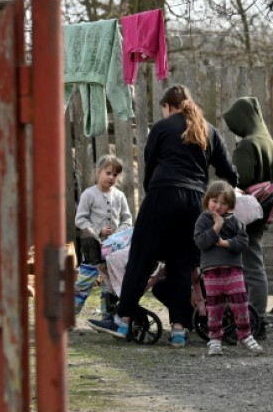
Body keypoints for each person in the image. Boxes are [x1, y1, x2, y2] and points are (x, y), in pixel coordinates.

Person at [90, 84, 238, 347]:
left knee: (141, 258)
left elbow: (150, 165)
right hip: (194, 201)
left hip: (163, 195)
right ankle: (179, 330)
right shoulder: (209, 130)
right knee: (181, 264)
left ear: (168, 107)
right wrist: (225, 197)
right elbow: (228, 171)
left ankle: (123, 321)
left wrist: (154, 195)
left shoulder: (162, 127)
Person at [222, 97, 273, 339]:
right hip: (263, 210)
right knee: (254, 262)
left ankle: (256, 317)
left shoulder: (247, 146)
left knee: (250, 265)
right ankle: (253, 315)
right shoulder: (269, 144)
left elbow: (239, 181)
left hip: (246, 212)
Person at [193, 181, 263, 356]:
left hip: (233, 271)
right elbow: (201, 241)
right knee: (215, 308)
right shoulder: (203, 220)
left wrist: (226, 243)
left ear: (230, 206)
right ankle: (215, 339)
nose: (218, 206)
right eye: (214, 201)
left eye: (223, 203)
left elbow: (243, 241)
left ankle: (245, 335)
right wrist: (216, 227)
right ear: (207, 200)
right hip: (211, 273)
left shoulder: (234, 221)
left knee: (240, 304)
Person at [73, 155, 133, 322]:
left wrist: (119, 234)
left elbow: (127, 219)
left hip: (113, 249)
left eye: (115, 175)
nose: (112, 177)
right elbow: (80, 219)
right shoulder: (89, 194)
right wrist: (98, 230)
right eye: (108, 173)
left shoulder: (119, 196)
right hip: (93, 248)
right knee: (84, 283)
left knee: (110, 284)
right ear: (98, 172)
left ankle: (108, 318)